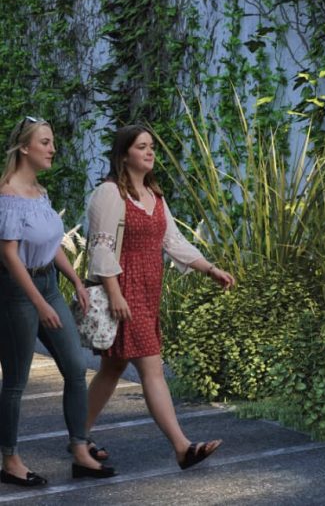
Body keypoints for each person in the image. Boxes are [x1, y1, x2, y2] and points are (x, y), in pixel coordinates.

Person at [83, 125, 234, 471]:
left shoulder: (154, 195)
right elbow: (101, 247)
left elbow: (174, 242)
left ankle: (79, 436)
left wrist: (210, 269)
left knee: (113, 367)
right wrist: (116, 294)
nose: (150, 152)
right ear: (124, 156)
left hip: (148, 294)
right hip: (125, 291)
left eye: (151, 146)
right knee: (152, 368)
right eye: (141, 147)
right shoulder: (109, 194)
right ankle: (182, 447)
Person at [0, 118, 113, 486]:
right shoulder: (7, 196)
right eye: (45, 142)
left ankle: (80, 450)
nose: (52, 149)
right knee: (16, 382)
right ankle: (10, 460)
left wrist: (76, 280)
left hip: (47, 284)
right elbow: (11, 257)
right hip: (17, 292)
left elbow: (52, 242)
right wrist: (40, 304)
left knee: (76, 367)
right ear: (24, 148)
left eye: (52, 142)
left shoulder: (38, 191)